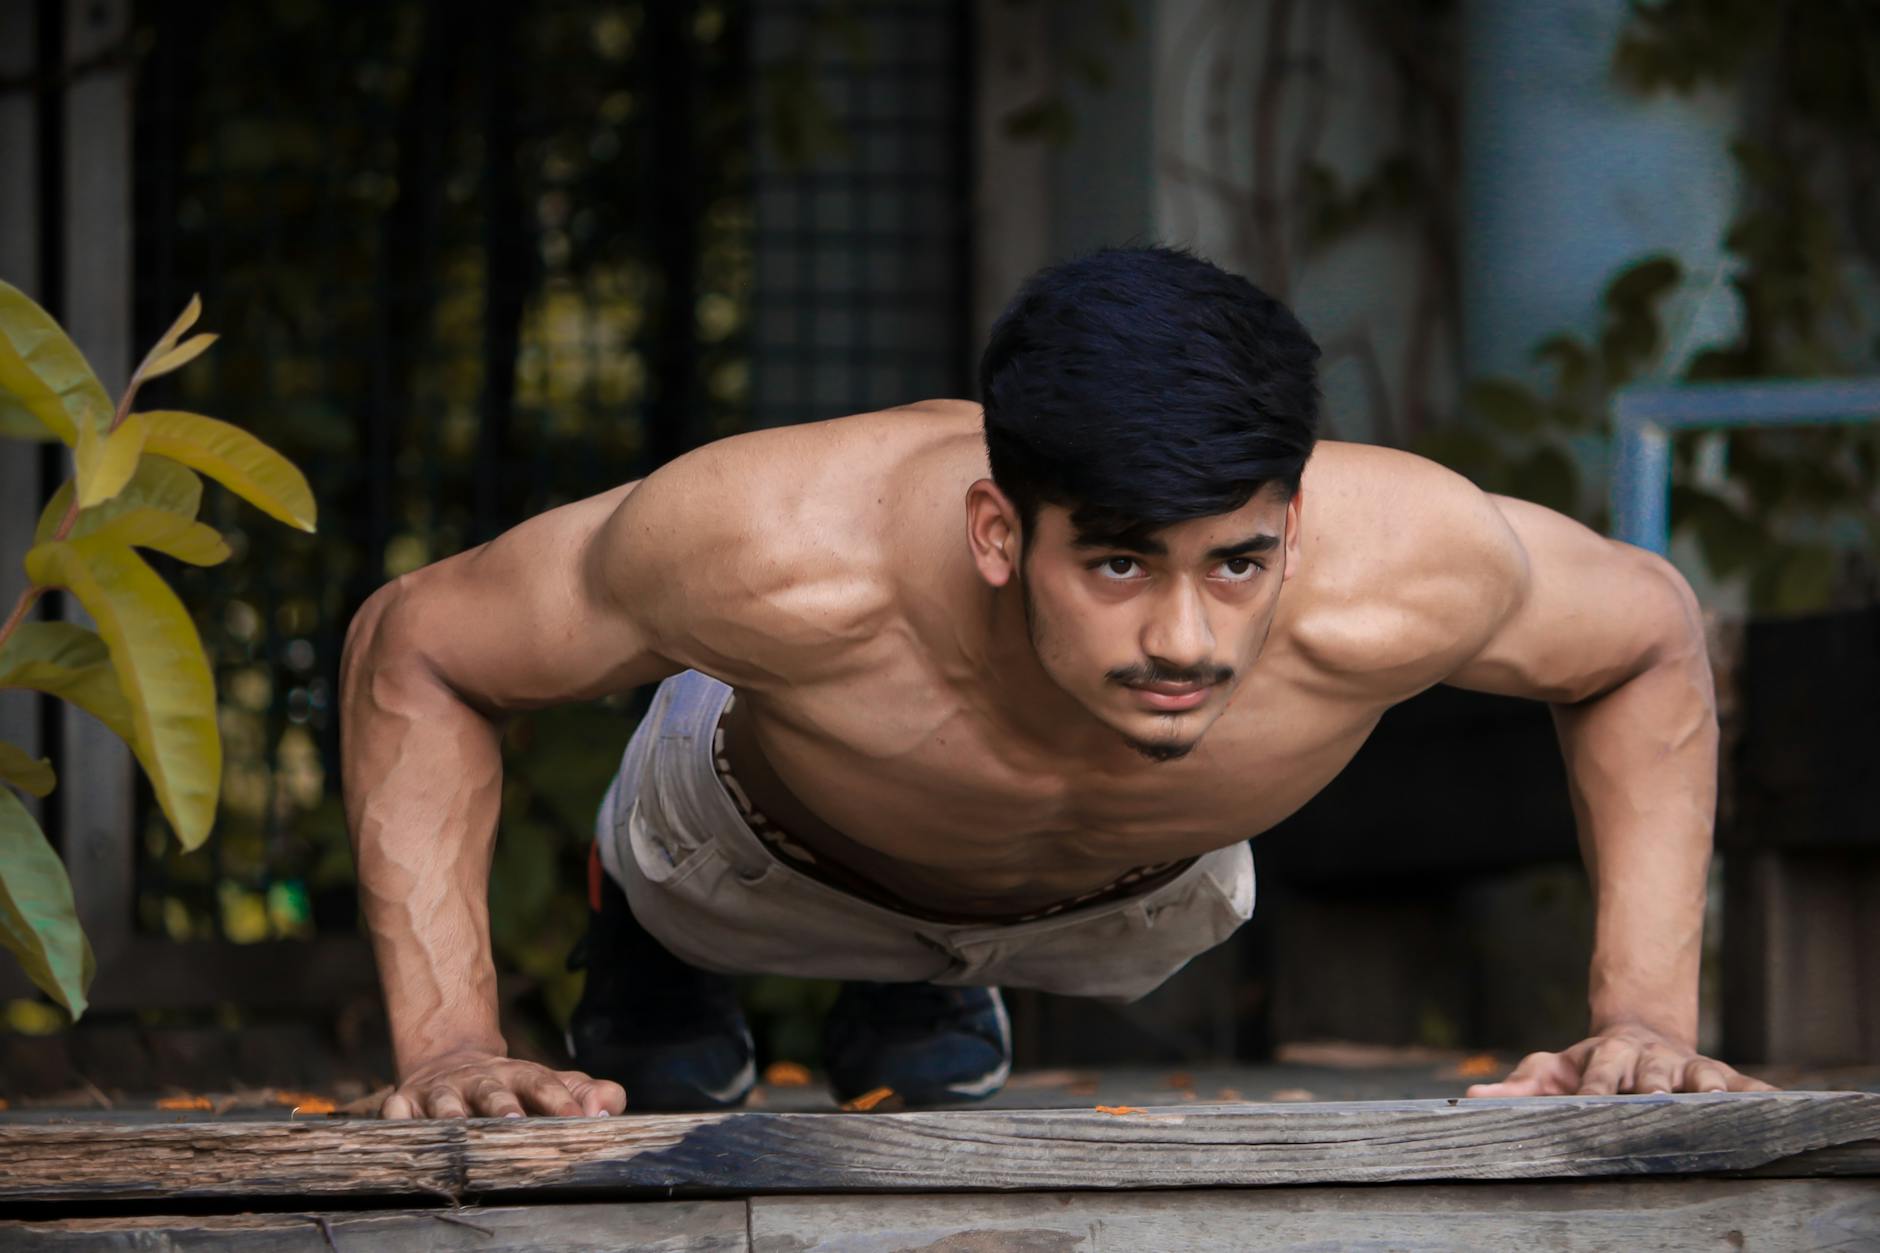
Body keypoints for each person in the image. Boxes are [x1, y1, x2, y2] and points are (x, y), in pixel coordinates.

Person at [341, 245, 1774, 1120]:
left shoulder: (1411, 562)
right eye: (1119, 567)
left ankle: (929, 998)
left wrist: (1643, 1015)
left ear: (1295, 523)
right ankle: (652, 960)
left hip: (1137, 904)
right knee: (681, 890)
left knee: (970, 1022)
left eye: (1236, 564)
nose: (1185, 640)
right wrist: (454, 1040)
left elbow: (1647, 631)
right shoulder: (777, 550)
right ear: (997, 531)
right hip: (750, 851)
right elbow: (420, 641)